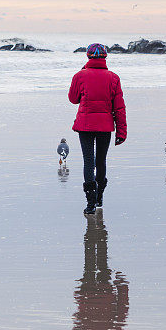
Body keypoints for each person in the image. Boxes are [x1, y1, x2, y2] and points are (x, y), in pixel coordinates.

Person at [68, 43, 127, 214]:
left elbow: (73, 99)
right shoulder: (114, 77)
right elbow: (119, 108)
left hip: (85, 125)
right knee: (100, 161)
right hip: (105, 125)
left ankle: (90, 202)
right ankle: (100, 196)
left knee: (88, 161)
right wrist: (121, 132)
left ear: (87, 56)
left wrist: (82, 73)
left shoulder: (80, 75)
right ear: (105, 57)